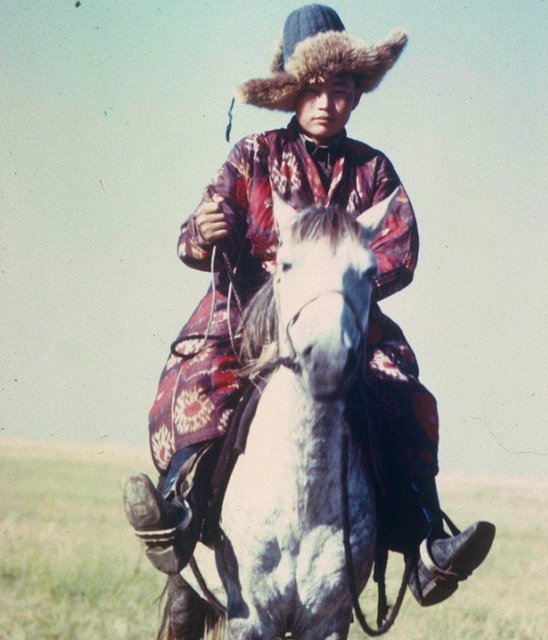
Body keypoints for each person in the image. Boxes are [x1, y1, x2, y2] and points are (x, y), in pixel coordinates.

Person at [123, 4, 495, 605]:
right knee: (200, 379)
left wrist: (337, 288)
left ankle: (427, 541)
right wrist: (204, 228)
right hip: (248, 315)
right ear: (294, 92)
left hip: (343, 316)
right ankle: (179, 508)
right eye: (314, 89)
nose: (326, 102)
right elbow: (191, 240)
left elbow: (401, 245)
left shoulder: (374, 171)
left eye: (341, 89)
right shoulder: (253, 155)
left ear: (357, 95)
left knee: (402, 391)